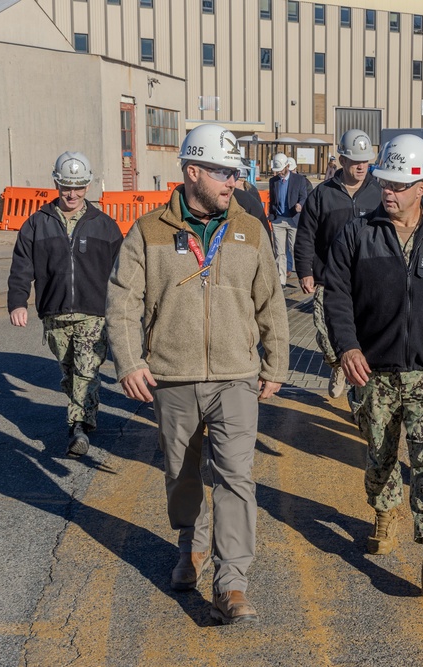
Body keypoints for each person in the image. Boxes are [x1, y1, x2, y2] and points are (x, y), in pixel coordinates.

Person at [106, 123, 289, 624]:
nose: (233, 181)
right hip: (172, 376)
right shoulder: (148, 232)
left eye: (235, 173)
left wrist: (276, 362)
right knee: (181, 475)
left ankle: (232, 582)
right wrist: (130, 361)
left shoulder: (251, 229)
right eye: (222, 172)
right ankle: (190, 543)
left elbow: (270, 302)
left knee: (236, 477)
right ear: (192, 172)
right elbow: (123, 303)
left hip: (236, 375)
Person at [324, 134, 423, 596]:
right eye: (384, 183)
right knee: (380, 452)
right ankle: (383, 510)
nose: (387, 192)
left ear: (422, 186)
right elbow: (335, 295)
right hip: (372, 369)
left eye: (397, 184)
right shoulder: (358, 232)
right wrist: (347, 347)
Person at [7, 152, 123, 458]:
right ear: (57, 183)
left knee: (87, 370)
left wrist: (127, 310)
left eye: (79, 187)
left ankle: (78, 427)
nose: (72, 194)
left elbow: (123, 273)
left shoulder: (105, 226)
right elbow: (22, 267)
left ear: (88, 186)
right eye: (66, 186)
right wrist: (18, 302)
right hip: (54, 313)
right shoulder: (36, 224)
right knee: (71, 371)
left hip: (93, 313)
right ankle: (85, 414)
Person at [295, 129, 381, 398]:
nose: (361, 166)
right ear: (342, 161)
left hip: (367, 279)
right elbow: (306, 234)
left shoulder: (378, 193)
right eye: (356, 161)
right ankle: (338, 364)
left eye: (366, 161)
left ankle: (362, 391)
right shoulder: (322, 195)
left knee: (366, 335)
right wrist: (305, 271)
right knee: (327, 336)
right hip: (329, 278)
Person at [267, 152, 308, 287]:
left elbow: (304, 197)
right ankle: (281, 281)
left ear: (287, 166)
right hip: (278, 220)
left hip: (293, 220)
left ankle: (304, 276)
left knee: (294, 249)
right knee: (279, 252)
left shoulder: (299, 180)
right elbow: (273, 199)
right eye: (276, 170)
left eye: (280, 170)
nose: (278, 173)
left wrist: (300, 205)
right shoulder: (273, 181)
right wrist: (271, 215)